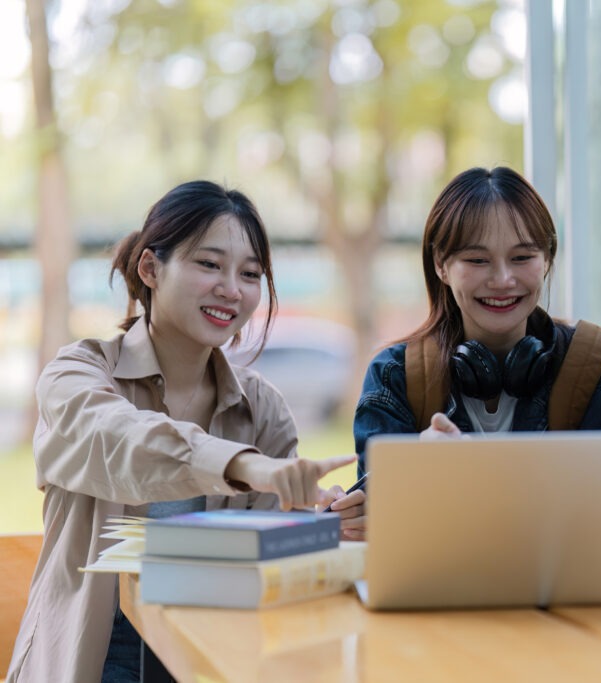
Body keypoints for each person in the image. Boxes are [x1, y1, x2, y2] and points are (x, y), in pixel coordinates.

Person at [6, 181, 358, 683]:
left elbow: (269, 560)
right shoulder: (78, 374)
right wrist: (243, 466)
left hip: (212, 656)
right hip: (94, 656)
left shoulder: (262, 409)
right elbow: (120, 436)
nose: (232, 289)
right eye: (209, 265)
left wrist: (323, 523)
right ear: (150, 268)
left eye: (250, 273)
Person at [350, 166, 601, 479]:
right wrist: (416, 469)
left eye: (522, 258)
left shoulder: (587, 364)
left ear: (547, 258)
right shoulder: (395, 377)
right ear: (441, 264)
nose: (503, 280)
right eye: (477, 260)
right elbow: (373, 519)